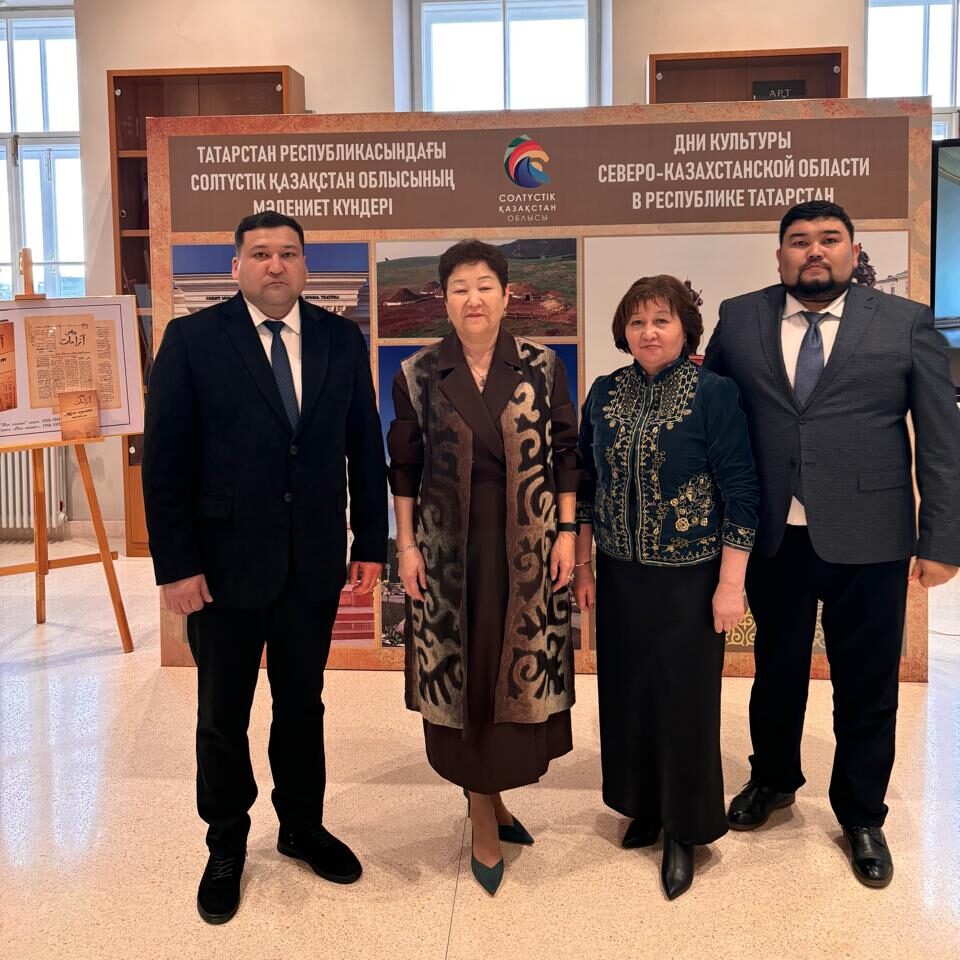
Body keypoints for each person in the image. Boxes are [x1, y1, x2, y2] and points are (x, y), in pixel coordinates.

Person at [704, 200, 960, 888]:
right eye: (798, 241)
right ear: (779, 255)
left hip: (872, 537)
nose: (813, 251)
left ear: (853, 250)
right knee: (775, 669)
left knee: (867, 682)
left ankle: (862, 813)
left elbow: (942, 438)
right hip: (771, 537)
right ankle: (773, 779)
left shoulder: (905, 322)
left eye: (829, 239)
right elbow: (713, 416)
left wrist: (942, 537)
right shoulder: (740, 318)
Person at [142, 211, 387, 923]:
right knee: (222, 713)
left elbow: (363, 446)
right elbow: (165, 462)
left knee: (302, 704)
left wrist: (371, 543)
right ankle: (226, 842)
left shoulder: (341, 338)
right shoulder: (192, 339)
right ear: (236, 267)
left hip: (311, 562)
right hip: (220, 569)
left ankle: (302, 828)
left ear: (305, 266)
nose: (275, 265)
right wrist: (176, 566)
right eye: (260, 254)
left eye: (288, 253)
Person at [387, 239, 579, 896]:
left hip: (526, 545)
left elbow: (566, 453)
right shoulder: (418, 372)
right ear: (444, 298)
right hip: (450, 553)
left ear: (505, 294)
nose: (473, 298)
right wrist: (406, 547)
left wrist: (567, 533)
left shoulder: (542, 365)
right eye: (460, 287)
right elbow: (404, 468)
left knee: (513, 670)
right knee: (465, 677)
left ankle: (493, 796)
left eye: (484, 285)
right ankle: (480, 812)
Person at [573, 275, 758, 900]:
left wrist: (730, 583)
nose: (648, 332)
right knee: (628, 694)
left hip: (690, 579)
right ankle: (644, 806)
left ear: (685, 329)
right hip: (620, 575)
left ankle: (685, 827)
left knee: (685, 703)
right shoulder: (605, 392)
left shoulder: (714, 393)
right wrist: (584, 566)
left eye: (661, 320)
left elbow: (741, 490)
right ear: (623, 331)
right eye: (637, 322)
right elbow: (587, 481)